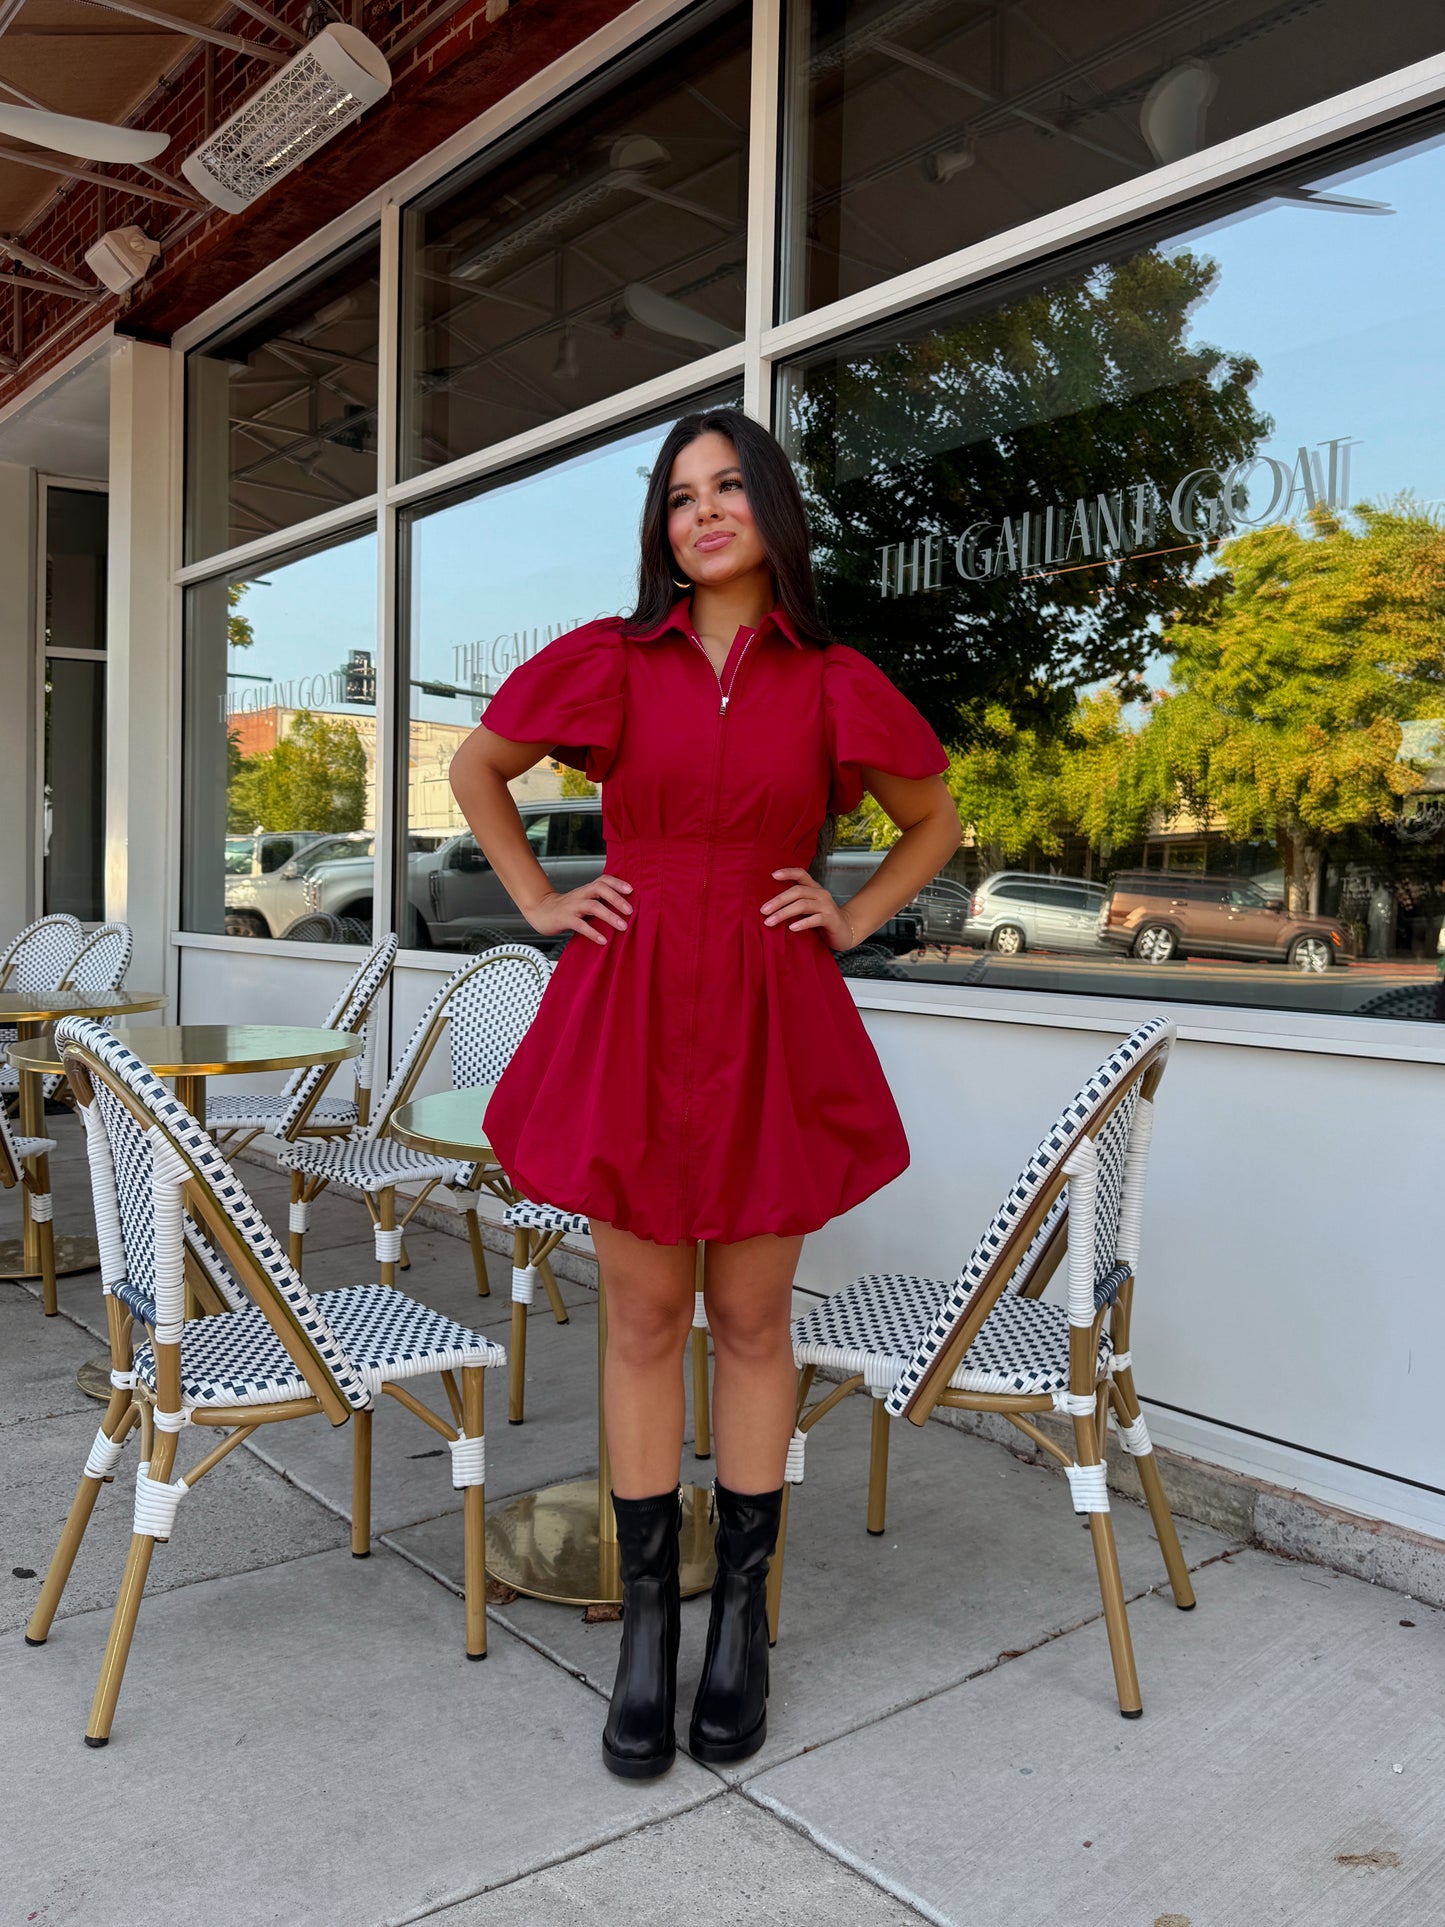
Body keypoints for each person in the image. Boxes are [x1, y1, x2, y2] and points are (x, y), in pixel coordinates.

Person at [449, 408, 961, 1778]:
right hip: (629, 999)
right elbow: (475, 769)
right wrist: (542, 898)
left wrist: (851, 918)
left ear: (770, 512)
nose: (704, 512)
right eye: (681, 497)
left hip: (769, 1005)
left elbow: (934, 820)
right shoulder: (611, 663)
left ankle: (739, 1618)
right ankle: (644, 1638)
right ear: (660, 531)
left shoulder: (834, 678)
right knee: (636, 1317)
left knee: (746, 1320)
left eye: (729, 487)